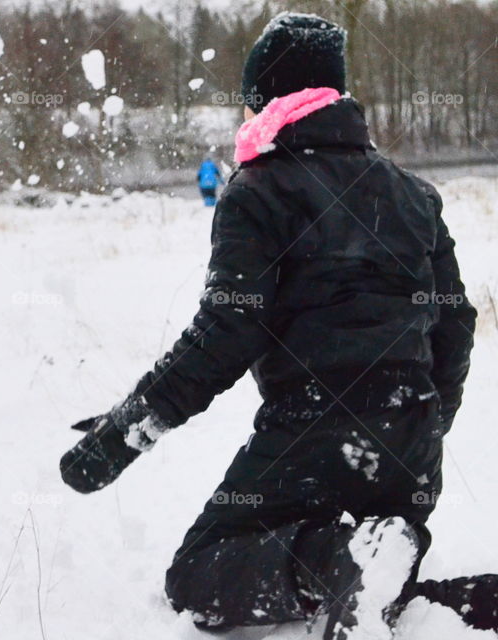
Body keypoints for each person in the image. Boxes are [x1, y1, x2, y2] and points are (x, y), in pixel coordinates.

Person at [59, 12, 485, 640]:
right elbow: (456, 324)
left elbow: (228, 330)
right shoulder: (412, 193)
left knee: (196, 578)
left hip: (315, 437)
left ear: (269, 98)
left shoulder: (258, 191)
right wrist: (425, 421)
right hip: (412, 454)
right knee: (369, 570)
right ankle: (432, 593)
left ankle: (346, 559)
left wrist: (127, 431)